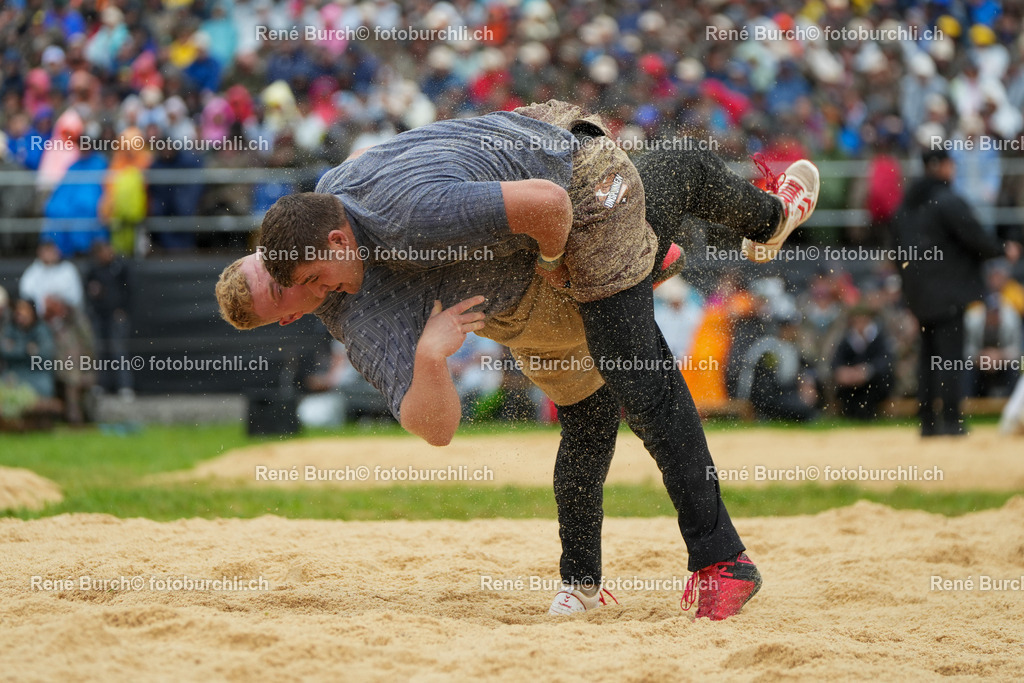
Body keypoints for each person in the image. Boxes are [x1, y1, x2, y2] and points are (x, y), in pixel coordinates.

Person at [236, 101, 820, 620]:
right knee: (587, 417)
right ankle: (582, 583)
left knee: (637, 375)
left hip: (572, 189)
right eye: (290, 296)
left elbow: (548, 202)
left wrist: (551, 263)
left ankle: (722, 562)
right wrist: (430, 355)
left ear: (336, 243)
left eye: (307, 283)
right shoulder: (337, 281)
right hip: (522, 299)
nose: (305, 305)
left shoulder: (408, 209)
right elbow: (434, 427)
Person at [891, 148, 1021, 437]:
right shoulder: (946, 201)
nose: (954, 169)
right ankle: (951, 421)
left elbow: (896, 252)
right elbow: (974, 236)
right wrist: (1003, 249)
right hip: (948, 294)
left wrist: (909, 291)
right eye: (951, 164)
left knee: (927, 357)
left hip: (918, 295)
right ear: (940, 166)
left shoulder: (906, 206)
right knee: (950, 357)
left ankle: (927, 423)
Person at [831, 306, 895, 420]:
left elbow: (886, 361)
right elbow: (836, 360)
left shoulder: (879, 337)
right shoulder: (846, 338)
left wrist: (868, 371)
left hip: (874, 382)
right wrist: (843, 371)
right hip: (850, 383)